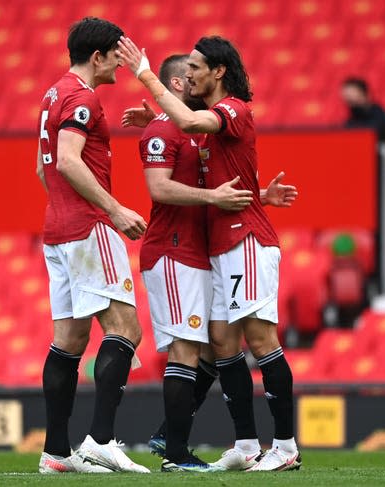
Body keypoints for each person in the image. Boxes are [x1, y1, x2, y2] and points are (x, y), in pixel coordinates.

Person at [117, 36, 301, 471]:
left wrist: (145, 74)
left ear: (218, 72)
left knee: (261, 340)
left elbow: (196, 126)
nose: (191, 73)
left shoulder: (233, 109)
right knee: (221, 343)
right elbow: (222, 174)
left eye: (197, 66)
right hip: (221, 245)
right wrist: (159, 118)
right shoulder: (204, 121)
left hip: (246, 242)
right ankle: (245, 443)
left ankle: (287, 447)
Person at [35, 17, 150, 474]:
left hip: (57, 231)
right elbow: (66, 160)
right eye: (115, 58)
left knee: (69, 340)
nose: (120, 68)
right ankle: (100, 440)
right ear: (97, 57)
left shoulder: (52, 95)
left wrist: (67, 208)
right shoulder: (82, 99)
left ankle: (56, 454)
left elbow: (43, 170)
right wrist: (114, 210)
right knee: (126, 329)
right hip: (88, 228)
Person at [135, 54, 255, 472]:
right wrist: (212, 198)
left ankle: (169, 434)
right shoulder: (163, 130)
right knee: (185, 350)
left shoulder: (194, 132)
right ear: (178, 83)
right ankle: (175, 455)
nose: (199, 80)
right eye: (191, 75)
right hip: (172, 252)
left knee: (209, 350)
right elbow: (159, 188)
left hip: (197, 255)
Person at [341, 77, 385, 191]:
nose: (349, 101)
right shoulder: (350, 124)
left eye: (353, 97)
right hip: (364, 175)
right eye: (347, 98)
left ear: (364, 94)